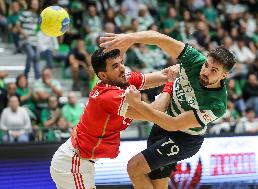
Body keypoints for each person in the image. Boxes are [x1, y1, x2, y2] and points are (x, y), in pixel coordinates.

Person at [100, 30, 236, 189]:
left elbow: (173, 124)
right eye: (207, 65)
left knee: (134, 167)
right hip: (162, 123)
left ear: (224, 75)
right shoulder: (194, 59)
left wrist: (138, 104)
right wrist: (131, 38)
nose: (206, 72)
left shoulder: (217, 104)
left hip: (184, 138)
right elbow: (160, 39)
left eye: (214, 71)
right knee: (158, 183)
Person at [50, 48, 178, 189]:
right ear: (103, 75)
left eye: (121, 62)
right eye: (115, 66)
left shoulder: (120, 80)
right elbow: (155, 112)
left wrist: (196, 63)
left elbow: (164, 74)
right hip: (73, 164)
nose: (122, 68)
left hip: (78, 161)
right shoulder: (109, 96)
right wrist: (170, 85)